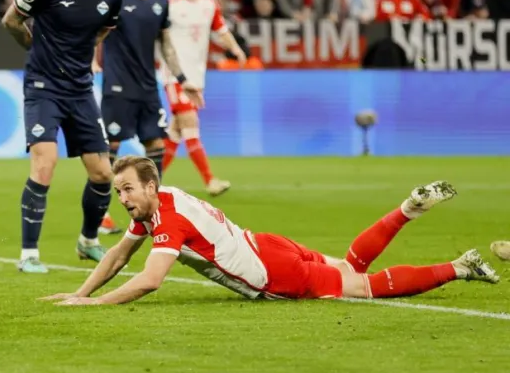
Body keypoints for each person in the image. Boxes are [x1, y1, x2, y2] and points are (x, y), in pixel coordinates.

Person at [41, 156, 499, 306]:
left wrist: (95, 305)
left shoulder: (168, 218)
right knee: (348, 265)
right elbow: (119, 256)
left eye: (126, 190)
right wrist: (80, 292)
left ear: (149, 186)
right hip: (265, 244)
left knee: (363, 285)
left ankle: (459, 267)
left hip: (271, 273)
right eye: (118, 192)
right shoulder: (162, 202)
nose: (122, 199)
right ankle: (405, 209)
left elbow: (149, 279)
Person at [1, 0, 124, 274]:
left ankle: (87, 242)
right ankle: (28, 254)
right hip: (43, 86)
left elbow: (102, 30)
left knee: (103, 173)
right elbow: (11, 20)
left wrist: (81, 55)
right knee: (45, 163)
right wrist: (35, 45)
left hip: (81, 89)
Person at [95, 0, 201, 236]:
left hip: (147, 87)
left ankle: (155, 212)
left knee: (156, 147)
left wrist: (182, 78)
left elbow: (165, 43)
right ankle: (102, 213)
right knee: (111, 150)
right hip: (118, 86)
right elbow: (96, 31)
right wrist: (92, 61)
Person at [160, 0, 247, 197]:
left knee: (176, 131)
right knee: (189, 123)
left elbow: (221, 30)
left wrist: (236, 49)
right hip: (174, 76)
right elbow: (157, 37)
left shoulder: (210, 3)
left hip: (197, 76)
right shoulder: (169, 4)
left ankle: (152, 180)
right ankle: (210, 180)